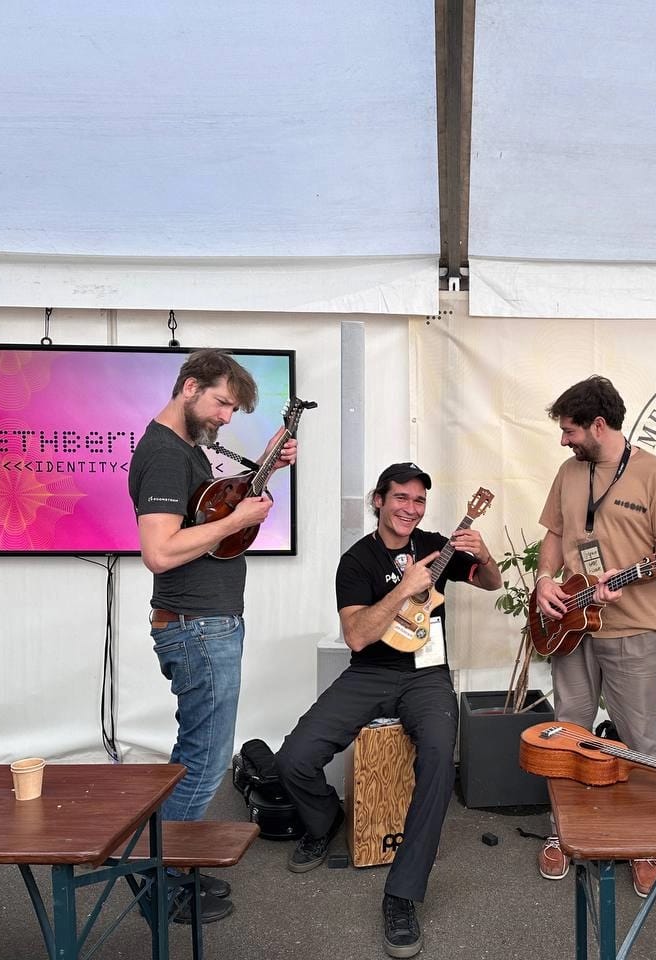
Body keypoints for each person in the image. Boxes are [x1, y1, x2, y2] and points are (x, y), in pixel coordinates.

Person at [276, 462, 501, 959]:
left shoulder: (439, 545)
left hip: (426, 674)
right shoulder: (356, 561)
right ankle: (322, 822)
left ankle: (402, 894)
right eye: (401, 498)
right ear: (378, 500)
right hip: (370, 671)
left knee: (440, 757)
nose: (410, 509)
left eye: (419, 501)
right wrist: (403, 586)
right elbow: (357, 635)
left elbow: (492, 584)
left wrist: (483, 556)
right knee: (293, 757)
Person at [128, 348, 296, 924]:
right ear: (190, 387)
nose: (227, 417)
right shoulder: (166, 455)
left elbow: (204, 517)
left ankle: (165, 870)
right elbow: (159, 552)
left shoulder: (186, 449)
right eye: (222, 403)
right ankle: (157, 882)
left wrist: (269, 461)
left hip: (205, 626)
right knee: (204, 761)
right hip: (198, 630)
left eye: (233, 409)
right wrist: (236, 522)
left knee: (193, 755)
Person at [531, 375, 656, 898]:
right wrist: (544, 582)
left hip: (635, 627)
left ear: (599, 425)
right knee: (567, 730)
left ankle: (645, 842)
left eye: (570, 430)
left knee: (640, 738)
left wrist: (624, 578)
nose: (564, 440)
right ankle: (563, 833)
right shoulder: (568, 471)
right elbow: (555, 535)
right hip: (571, 625)